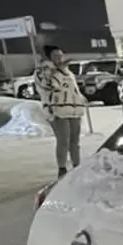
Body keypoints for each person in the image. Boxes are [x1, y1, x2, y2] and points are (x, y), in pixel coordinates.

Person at [34, 45, 87, 178]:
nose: (59, 58)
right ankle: (62, 168)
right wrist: (56, 70)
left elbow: (73, 89)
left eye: (60, 56)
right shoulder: (43, 71)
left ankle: (77, 166)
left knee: (75, 140)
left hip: (73, 109)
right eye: (55, 56)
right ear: (48, 57)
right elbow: (48, 86)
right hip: (57, 109)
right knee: (63, 140)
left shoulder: (67, 72)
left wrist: (81, 100)